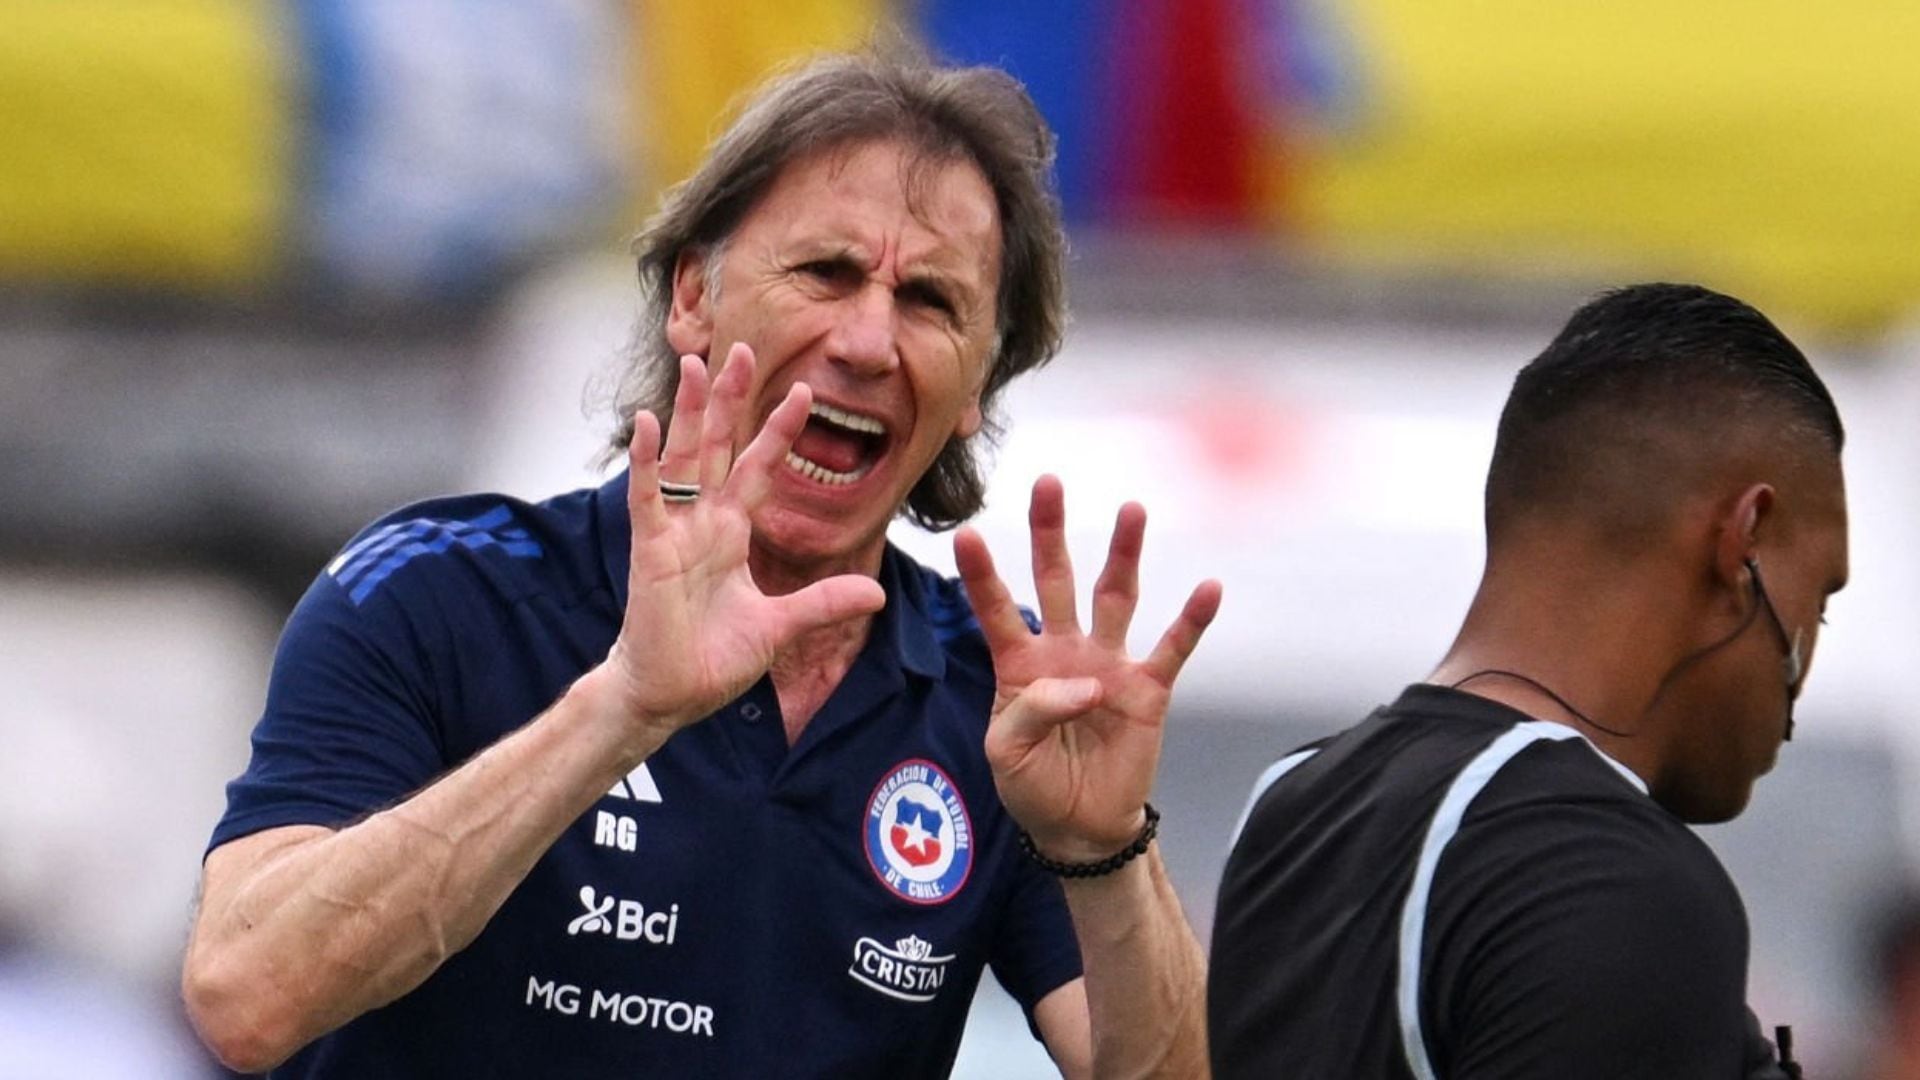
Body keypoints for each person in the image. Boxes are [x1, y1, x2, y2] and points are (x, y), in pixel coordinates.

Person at [182, 51, 1220, 1078]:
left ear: (977, 395)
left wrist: (1104, 851)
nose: (867, 339)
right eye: (828, 272)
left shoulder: (1000, 707)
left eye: (930, 301)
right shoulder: (435, 592)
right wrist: (623, 709)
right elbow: (248, 998)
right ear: (693, 295)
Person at [1209, 283, 1847, 1079]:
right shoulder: (1610, 878)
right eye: (1821, 598)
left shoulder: (1292, 802)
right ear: (1742, 542)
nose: (1806, 659)